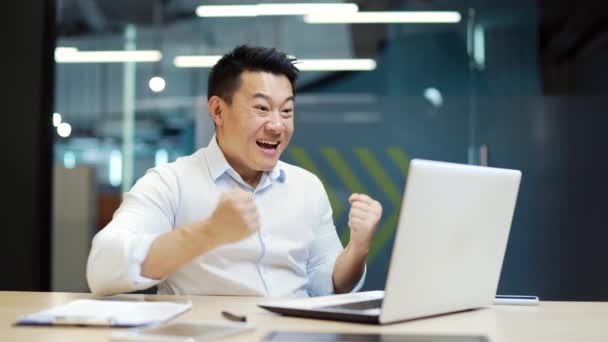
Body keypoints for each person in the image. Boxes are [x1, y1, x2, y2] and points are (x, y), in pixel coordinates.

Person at [86, 45, 383, 297]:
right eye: (262, 109)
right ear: (217, 111)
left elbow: (324, 286)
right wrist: (207, 233)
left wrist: (357, 249)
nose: (278, 125)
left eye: (287, 111)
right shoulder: (170, 182)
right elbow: (102, 267)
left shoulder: (307, 186)